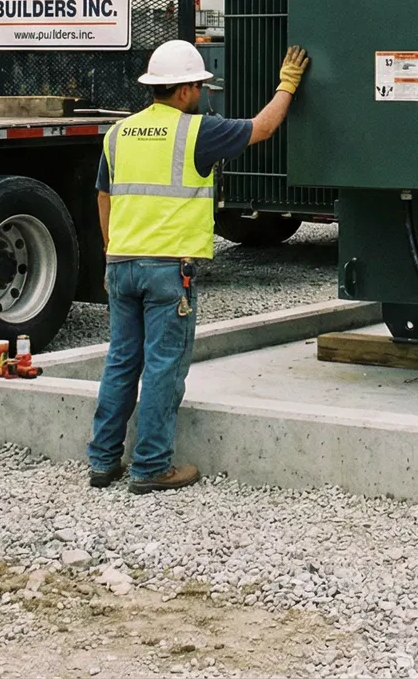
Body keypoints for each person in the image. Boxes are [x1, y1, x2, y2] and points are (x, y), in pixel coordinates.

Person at [86, 39, 310, 493]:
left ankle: (103, 461)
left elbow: (104, 197)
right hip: (168, 269)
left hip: (122, 264)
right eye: (201, 86)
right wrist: (288, 83)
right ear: (186, 89)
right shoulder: (196, 132)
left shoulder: (117, 133)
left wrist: (113, 251)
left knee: (122, 362)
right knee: (164, 366)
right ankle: (151, 466)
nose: (204, 94)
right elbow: (263, 128)